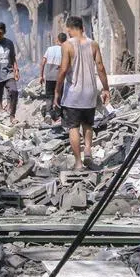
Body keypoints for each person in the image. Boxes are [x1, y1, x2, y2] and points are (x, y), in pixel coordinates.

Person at [53, 17, 109, 171]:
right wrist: (105, 89)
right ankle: (88, 151)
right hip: (90, 92)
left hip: (73, 95)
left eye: (68, 30)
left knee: (73, 127)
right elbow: (101, 67)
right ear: (82, 27)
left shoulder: (67, 45)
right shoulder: (93, 44)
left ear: (69, 29)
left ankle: (78, 163)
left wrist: (57, 91)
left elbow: (63, 70)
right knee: (88, 124)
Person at [40, 31, 66, 100]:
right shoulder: (65, 51)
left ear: (57, 40)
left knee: (49, 96)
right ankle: (58, 109)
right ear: (65, 41)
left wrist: (41, 76)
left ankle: (49, 110)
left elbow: (42, 63)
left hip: (49, 77)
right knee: (59, 96)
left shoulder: (49, 49)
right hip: (59, 78)